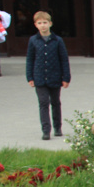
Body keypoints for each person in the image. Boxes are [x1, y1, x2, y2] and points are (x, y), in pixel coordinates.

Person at [25, 10, 71, 141]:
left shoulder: (57, 40)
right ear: (35, 25)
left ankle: (58, 127)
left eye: (45, 22)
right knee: (43, 103)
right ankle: (46, 130)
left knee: (55, 102)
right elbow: (30, 59)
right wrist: (30, 77)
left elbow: (63, 59)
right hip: (39, 77)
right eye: (40, 23)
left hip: (55, 77)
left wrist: (66, 77)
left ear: (50, 23)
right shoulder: (33, 41)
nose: (43, 25)